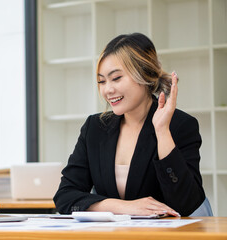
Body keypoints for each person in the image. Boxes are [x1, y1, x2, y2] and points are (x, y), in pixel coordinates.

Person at [53, 33, 205, 217]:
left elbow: (187, 204)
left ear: (144, 74)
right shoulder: (95, 127)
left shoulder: (181, 125)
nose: (107, 89)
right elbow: (65, 196)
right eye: (101, 81)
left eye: (116, 78)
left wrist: (162, 131)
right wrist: (122, 207)